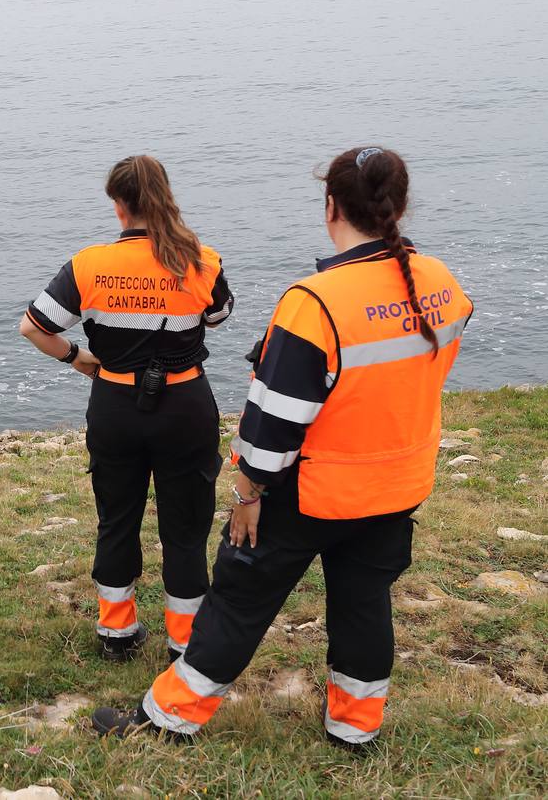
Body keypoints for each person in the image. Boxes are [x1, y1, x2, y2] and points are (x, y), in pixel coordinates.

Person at [91, 146, 473, 750]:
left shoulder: (316, 302)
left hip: (311, 490)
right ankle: (355, 726)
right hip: (397, 484)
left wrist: (248, 491)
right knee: (364, 604)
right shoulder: (441, 284)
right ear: (398, 206)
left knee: (238, 601)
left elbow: (275, 418)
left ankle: (170, 716)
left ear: (330, 208)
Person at [20, 155, 233, 662]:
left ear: (118, 206)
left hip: (115, 402)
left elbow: (34, 326)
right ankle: (185, 640)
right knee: (185, 529)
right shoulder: (201, 259)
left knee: (116, 520)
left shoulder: (88, 264)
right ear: (166, 196)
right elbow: (220, 315)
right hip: (184, 403)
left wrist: (78, 357)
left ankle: (117, 633)